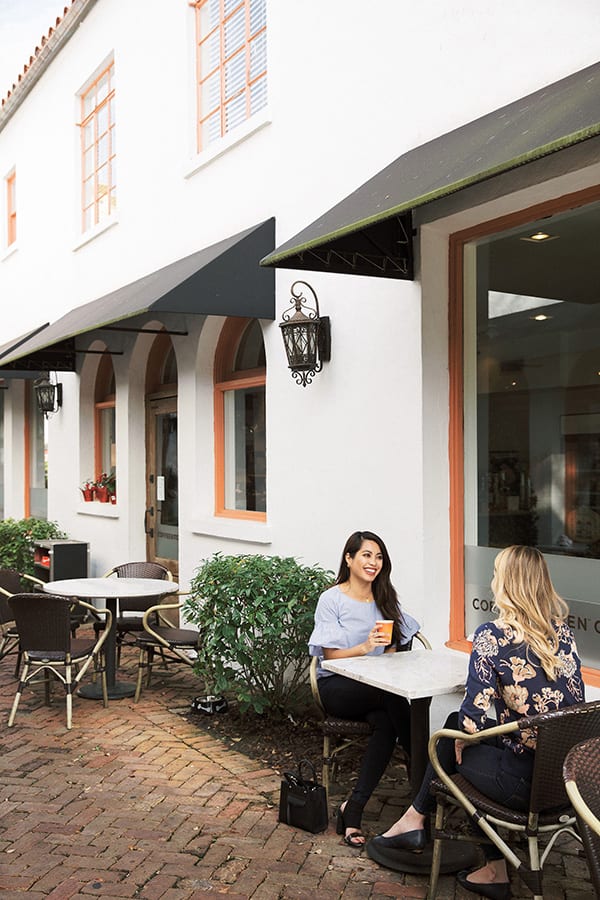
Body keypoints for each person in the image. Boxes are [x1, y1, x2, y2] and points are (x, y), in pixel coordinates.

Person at [369, 544, 585, 899]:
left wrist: (465, 738)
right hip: (566, 779)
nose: (493, 579)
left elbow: (473, 716)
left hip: (523, 785)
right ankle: (421, 825)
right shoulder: (562, 632)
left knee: (448, 747)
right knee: (453, 727)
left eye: (497, 573)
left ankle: (425, 827)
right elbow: (574, 704)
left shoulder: (492, 635)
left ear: (507, 583)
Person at [308, 530, 420, 848]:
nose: (374, 562)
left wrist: (389, 651)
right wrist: (365, 647)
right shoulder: (332, 599)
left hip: (376, 688)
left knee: (387, 721)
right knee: (395, 700)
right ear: (349, 558)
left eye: (379, 557)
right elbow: (330, 656)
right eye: (367, 555)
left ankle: (353, 808)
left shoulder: (384, 598)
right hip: (337, 685)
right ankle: (426, 780)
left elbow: (394, 649)